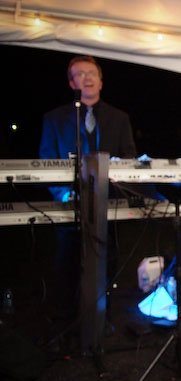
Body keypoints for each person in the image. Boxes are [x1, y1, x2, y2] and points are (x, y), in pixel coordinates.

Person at [38, 55, 136, 342]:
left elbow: (129, 159)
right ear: (72, 83)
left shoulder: (119, 119)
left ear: (101, 81)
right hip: (70, 212)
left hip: (107, 210)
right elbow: (46, 162)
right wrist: (64, 194)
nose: (87, 78)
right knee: (66, 266)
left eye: (92, 73)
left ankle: (101, 322)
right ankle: (64, 325)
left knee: (106, 265)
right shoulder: (54, 119)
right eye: (79, 74)